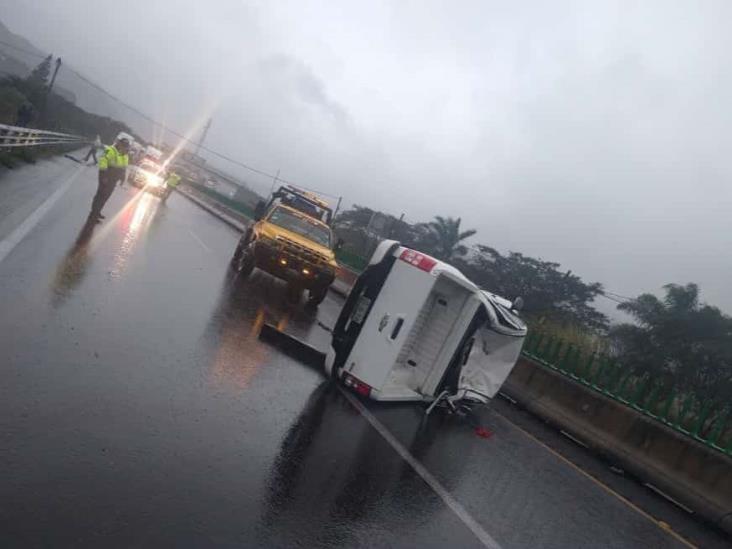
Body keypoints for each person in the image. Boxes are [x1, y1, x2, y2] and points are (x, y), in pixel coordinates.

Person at [88, 137, 130, 222]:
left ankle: (98, 212)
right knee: (100, 195)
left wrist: (122, 178)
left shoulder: (125, 155)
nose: (124, 147)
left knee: (106, 196)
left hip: (114, 179)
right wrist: (104, 176)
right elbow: (103, 161)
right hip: (106, 175)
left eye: (126, 146)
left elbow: (123, 167)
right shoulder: (110, 150)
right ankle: (93, 214)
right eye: (123, 145)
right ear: (119, 143)